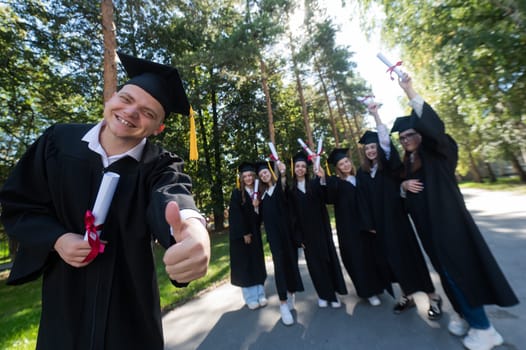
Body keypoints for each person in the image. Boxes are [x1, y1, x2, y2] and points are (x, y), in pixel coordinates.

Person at [0, 51, 211, 350]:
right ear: (111, 98)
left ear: (157, 128)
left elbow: (174, 195)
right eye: (126, 99)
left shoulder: (160, 165)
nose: (131, 112)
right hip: (65, 306)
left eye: (148, 113)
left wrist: (193, 230)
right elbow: (20, 203)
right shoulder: (57, 142)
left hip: (129, 312)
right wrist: (57, 239)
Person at [391, 72, 518, 350]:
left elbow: (435, 129)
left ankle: (484, 328)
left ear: (422, 135)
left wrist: (410, 91)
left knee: (460, 273)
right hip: (431, 233)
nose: (406, 139)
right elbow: (404, 194)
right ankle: (465, 317)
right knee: (447, 274)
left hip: (450, 227)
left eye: (411, 134)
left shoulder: (440, 153)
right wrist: (403, 187)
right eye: (402, 138)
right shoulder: (410, 164)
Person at [357, 104, 442, 319]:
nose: (371, 150)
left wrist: (375, 115)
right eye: (367, 149)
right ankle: (406, 296)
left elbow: (386, 141)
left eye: (373, 147)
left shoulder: (387, 164)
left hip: (397, 220)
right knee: (393, 261)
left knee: (410, 257)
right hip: (380, 226)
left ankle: (433, 296)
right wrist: (369, 224)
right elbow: (362, 201)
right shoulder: (363, 173)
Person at [324, 147, 392, 307]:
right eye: (341, 164)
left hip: (367, 226)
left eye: (346, 161)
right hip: (350, 230)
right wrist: (323, 178)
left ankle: (379, 286)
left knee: (372, 257)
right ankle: (367, 292)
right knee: (358, 260)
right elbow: (329, 198)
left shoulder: (360, 177)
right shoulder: (337, 183)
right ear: (338, 168)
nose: (345, 165)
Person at [287, 151, 347, 308]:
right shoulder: (291, 191)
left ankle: (333, 295)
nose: (300, 168)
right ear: (293, 169)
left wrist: (322, 178)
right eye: (297, 166)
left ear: (306, 169)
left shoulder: (315, 184)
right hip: (307, 236)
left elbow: (329, 197)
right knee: (315, 266)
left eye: (303, 166)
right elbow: (292, 217)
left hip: (322, 230)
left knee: (328, 262)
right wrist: (299, 238)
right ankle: (323, 295)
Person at [256, 160, 304, 326]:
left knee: (291, 265)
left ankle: (291, 296)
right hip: (275, 239)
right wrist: (255, 207)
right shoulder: (261, 197)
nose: (264, 175)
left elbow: (283, 185)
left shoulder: (279, 187)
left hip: (288, 236)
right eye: (261, 174)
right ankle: (283, 304)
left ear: (271, 172)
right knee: (280, 268)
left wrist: (283, 173)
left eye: (266, 172)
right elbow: (258, 219)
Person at [228, 161, 267, 310]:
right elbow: (236, 216)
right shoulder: (237, 193)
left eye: (251, 175)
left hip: (255, 233)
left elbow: (260, 216)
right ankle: (250, 297)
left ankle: (260, 294)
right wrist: (244, 233)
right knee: (245, 266)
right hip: (242, 236)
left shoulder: (259, 192)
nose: (249, 178)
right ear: (241, 178)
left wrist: (257, 207)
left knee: (257, 263)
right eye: (245, 176)